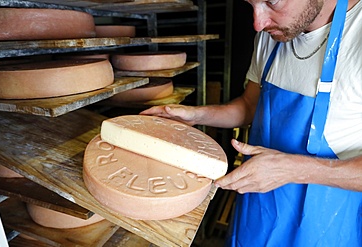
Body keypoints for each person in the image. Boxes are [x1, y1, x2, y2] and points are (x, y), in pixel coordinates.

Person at [141, 0, 362, 246]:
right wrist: (197, 115)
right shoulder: (272, 36)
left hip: (322, 227)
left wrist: (291, 170)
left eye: (272, 2)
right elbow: (249, 106)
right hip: (256, 211)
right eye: (251, 4)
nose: (258, 23)